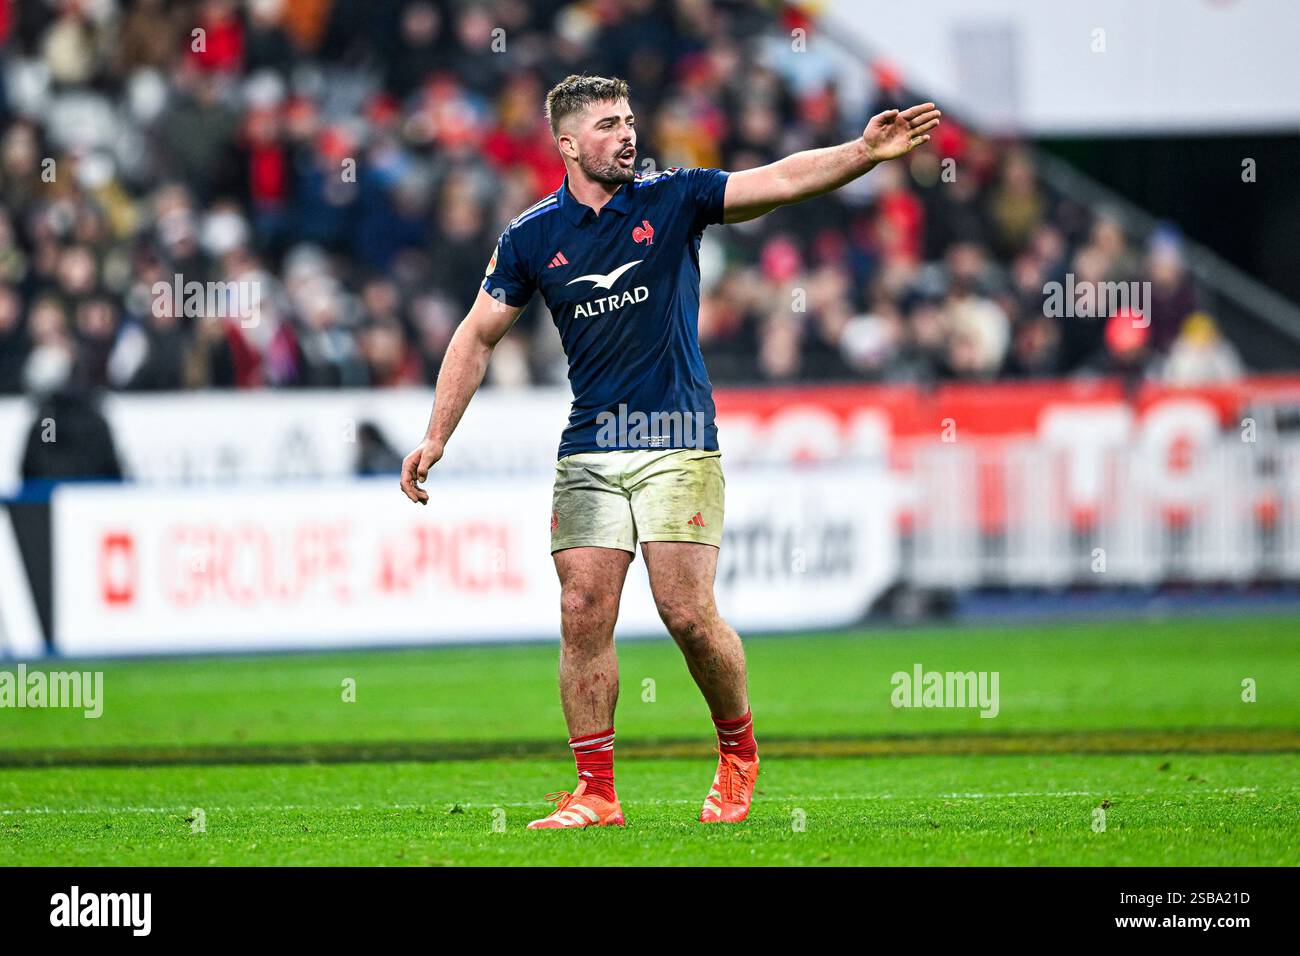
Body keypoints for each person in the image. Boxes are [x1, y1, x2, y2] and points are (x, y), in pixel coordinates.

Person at [399, 74, 940, 829]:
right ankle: (594, 792)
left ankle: (739, 752)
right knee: (582, 609)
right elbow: (475, 335)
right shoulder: (530, 236)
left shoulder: (672, 197)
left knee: (685, 613)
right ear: (566, 144)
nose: (627, 134)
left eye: (629, 120)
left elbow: (777, 181)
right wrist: (436, 435)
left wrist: (862, 152)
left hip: (676, 437)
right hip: (591, 442)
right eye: (608, 125)